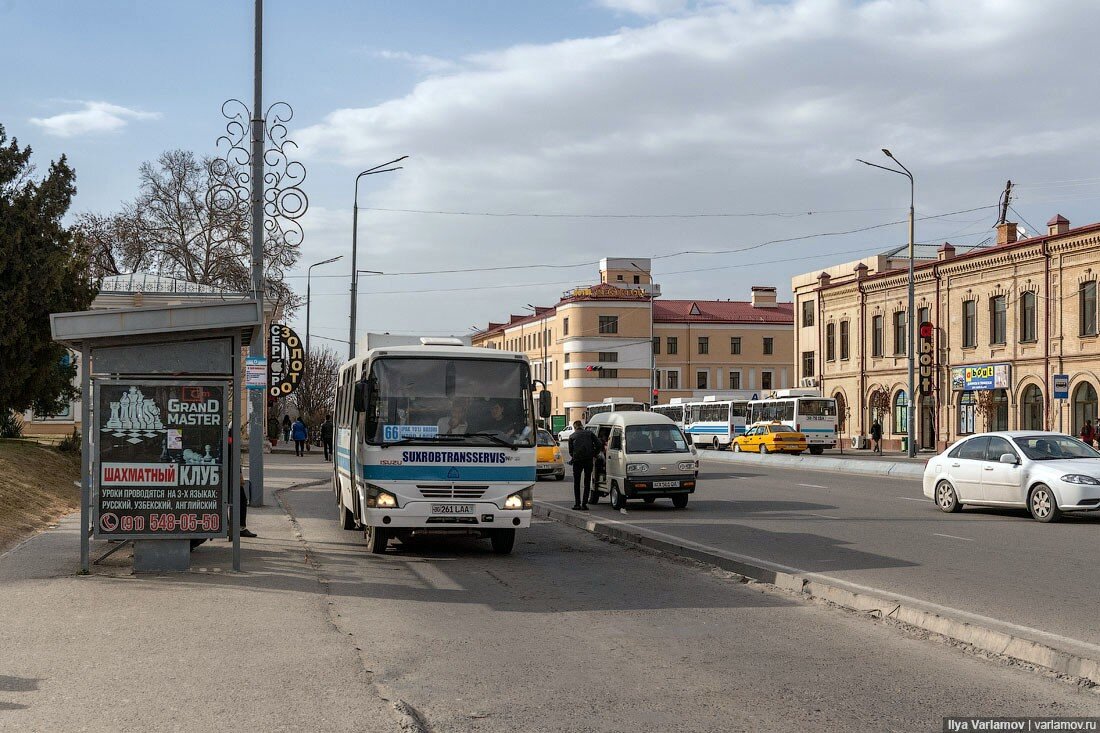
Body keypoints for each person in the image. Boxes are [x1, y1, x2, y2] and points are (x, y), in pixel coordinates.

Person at [567, 421, 602, 511]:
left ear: (575, 427)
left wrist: (574, 456)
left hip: (577, 461)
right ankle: (584, 504)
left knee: (577, 483)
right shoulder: (589, 433)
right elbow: (599, 444)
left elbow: (570, 451)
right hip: (588, 460)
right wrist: (594, 454)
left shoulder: (572, 436)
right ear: (582, 426)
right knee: (587, 482)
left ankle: (577, 504)